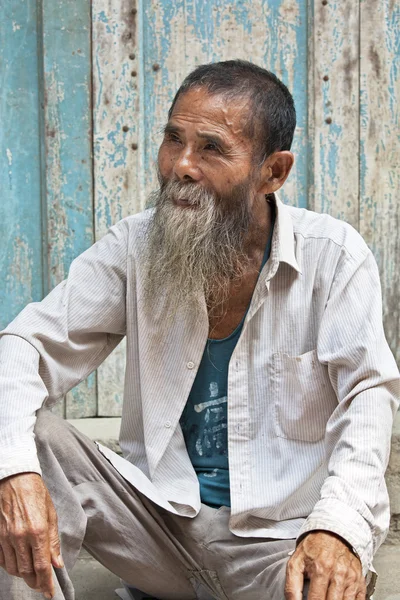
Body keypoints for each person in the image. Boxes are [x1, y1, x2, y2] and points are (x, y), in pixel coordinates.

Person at [0, 60, 398, 600]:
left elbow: (367, 398)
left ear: (273, 172)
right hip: (156, 530)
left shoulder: (335, 258)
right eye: (173, 139)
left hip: (276, 547)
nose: (181, 166)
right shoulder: (136, 245)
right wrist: (14, 474)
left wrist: (337, 530)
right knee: (23, 444)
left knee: (329, 585)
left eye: (211, 148)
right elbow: (25, 346)